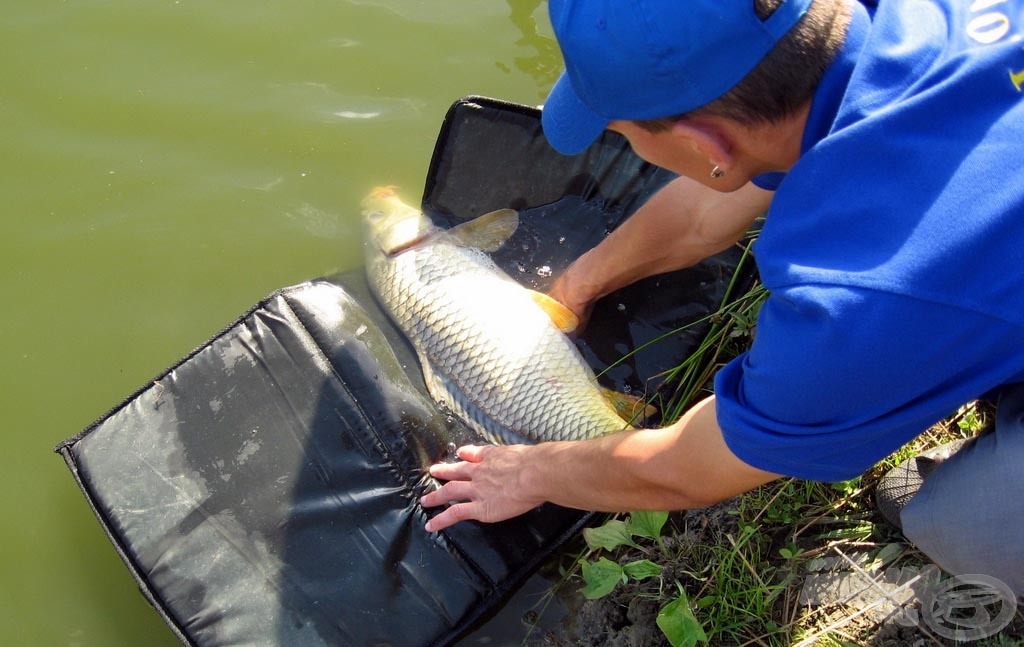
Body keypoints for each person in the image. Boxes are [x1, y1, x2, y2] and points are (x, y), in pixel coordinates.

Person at [421, 0, 1024, 595]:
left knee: (962, 523)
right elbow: (705, 206)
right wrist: (579, 283)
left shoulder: (858, 291)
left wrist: (529, 471)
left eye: (624, 134)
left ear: (709, 146)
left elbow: (691, 469)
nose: (627, 146)